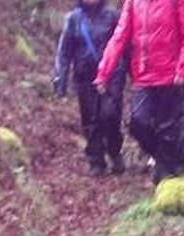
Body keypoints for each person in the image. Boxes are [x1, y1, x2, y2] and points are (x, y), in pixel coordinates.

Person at [94, 0, 184, 184]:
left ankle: (167, 175)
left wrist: (183, 69)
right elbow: (119, 36)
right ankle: (167, 160)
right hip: (144, 75)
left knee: (168, 127)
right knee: (137, 122)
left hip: (172, 75)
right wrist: (103, 72)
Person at [54, 0, 127, 177]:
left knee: (110, 114)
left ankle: (114, 151)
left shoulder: (112, 16)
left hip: (112, 75)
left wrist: (131, 70)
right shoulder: (73, 19)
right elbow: (64, 52)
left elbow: (123, 45)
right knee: (91, 120)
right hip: (84, 77)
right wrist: (60, 78)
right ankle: (96, 161)